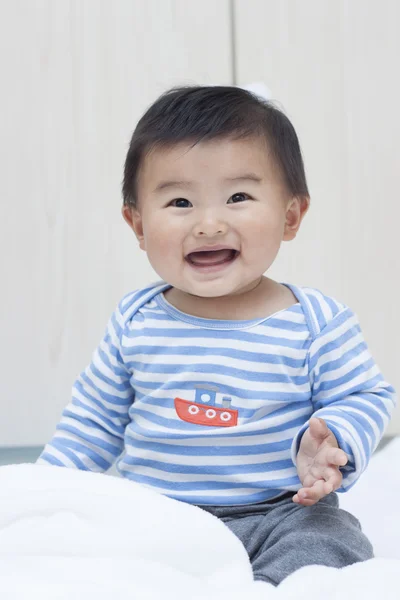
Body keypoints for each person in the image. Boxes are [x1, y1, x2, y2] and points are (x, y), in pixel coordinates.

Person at [37, 85, 396, 586]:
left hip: (280, 512)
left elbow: (366, 395)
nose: (209, 224)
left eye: (238, 197)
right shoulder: (136, 320)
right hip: (159, 515)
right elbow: (92, 421)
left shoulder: (316, 322)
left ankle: (275, 586)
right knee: (86, 552)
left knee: (329, 540)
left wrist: (332, 436)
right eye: (180, 201)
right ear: (137, 224)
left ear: (290, 215)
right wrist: (43, 492)